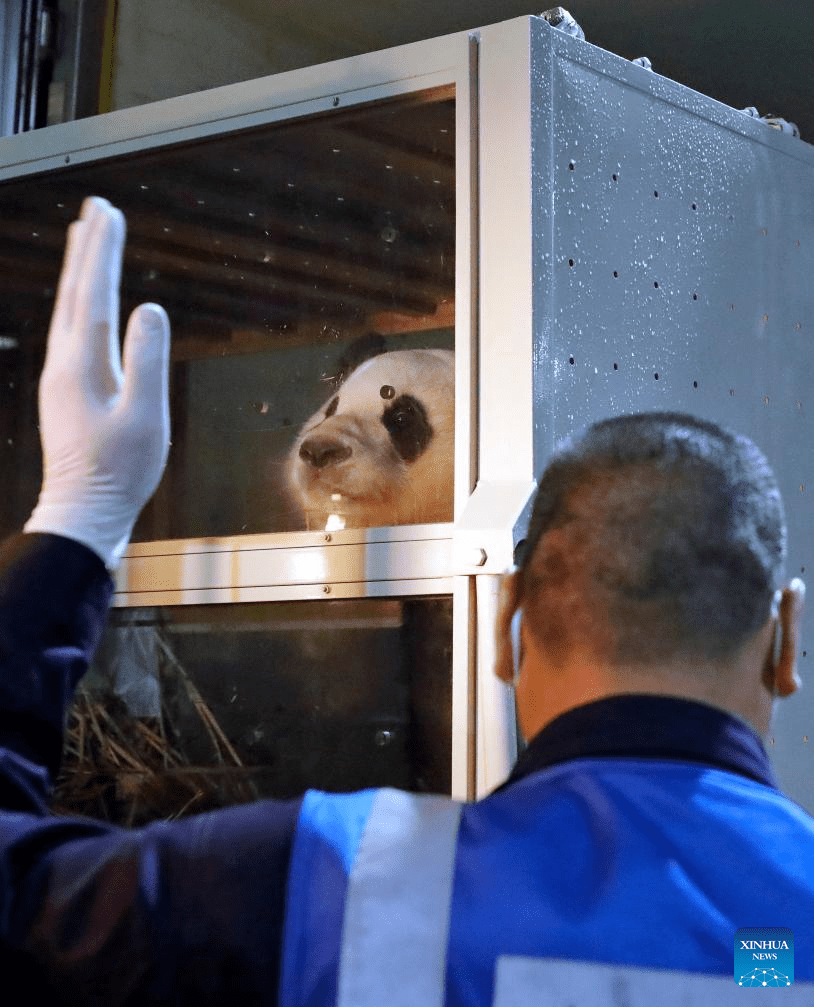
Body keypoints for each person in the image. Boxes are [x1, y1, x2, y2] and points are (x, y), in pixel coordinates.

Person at [1, 196, 813, 1005]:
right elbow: (747, 959)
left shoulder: (342, 880)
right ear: (786, 640)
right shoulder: (782, 926)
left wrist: (77, 522)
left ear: (506, 620)